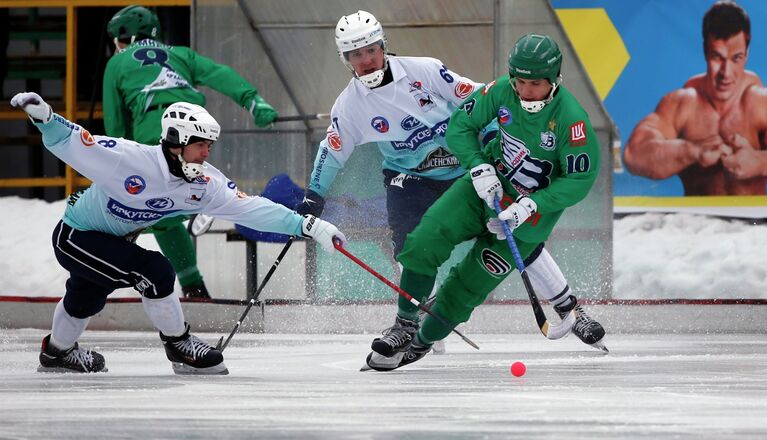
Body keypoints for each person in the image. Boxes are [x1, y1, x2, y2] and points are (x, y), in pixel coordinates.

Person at [297, 11, 603, 361]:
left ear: (383, 46)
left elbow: (475, 98)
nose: (365, 61)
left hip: (468, 169)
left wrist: (492, 144)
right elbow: (332, 151)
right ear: (346, 60)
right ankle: (411, 323)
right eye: (355, 55)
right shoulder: (350, 105)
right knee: (411, 246)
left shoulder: (425, 70)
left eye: (370, 50)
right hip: (409, 178)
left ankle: (568, 309)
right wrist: (313, 196)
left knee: (518, 236)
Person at [10, 92, 345, 375]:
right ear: (176, 142)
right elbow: (77, 143)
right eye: (200, 145)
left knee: (86, 297)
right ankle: (179, 345)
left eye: (209, 146)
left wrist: (308, 226)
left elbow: (250, 208)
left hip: (111, 242)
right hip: (76, 237)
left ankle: (56, 354)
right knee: (155, 271)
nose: (206, 153)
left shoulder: (203, 183)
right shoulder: (130, 160)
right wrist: (45, 117)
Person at [102, 5, 279, 298]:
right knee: (168, 209)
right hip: (196, 127)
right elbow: (220, 74)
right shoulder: (181, 54)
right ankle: (194, 285)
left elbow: (115, 123)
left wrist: (119, 162)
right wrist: (252, 101)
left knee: (151, 210)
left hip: (156, 132)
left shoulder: (117, 64)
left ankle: (191, 209)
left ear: (127, 37)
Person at [623, 0, 767, 196]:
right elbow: (634, 154)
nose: (726, 72)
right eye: (717, 57)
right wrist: (692, 151)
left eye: (736, 58)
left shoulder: (759, 102)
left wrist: (759, 162)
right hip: (696, 224)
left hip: (753, 225)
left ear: (747, 53)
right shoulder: (684, 104)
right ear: (705, 51)